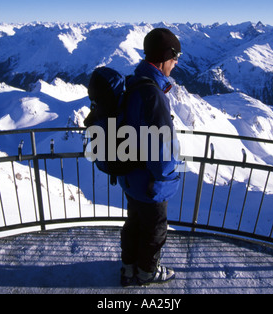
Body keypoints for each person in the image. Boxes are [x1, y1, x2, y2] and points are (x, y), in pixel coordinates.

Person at [117, 28, 183, 286]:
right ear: (165, 57)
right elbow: (163, 150)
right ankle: (147, 272)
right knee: (155, 229)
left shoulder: (135, 83)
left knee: (134, 223)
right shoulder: (153, 94)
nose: (176, 63)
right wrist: (168, 179)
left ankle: (128, 267)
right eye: (175, 57)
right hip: (149, 182)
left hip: (131, 177)